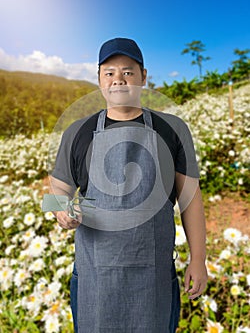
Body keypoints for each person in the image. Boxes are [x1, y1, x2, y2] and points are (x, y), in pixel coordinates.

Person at [49, 37, 208, 333]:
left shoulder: (173, 129)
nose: (118, 80)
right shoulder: (77, 132)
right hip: (94, 275)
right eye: (109, 73)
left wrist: (198, 259)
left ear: (143, 77)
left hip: (154, 276)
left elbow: (191, 199)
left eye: (128, 71)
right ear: (98, 79)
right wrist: (61, 212)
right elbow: (55, 190)